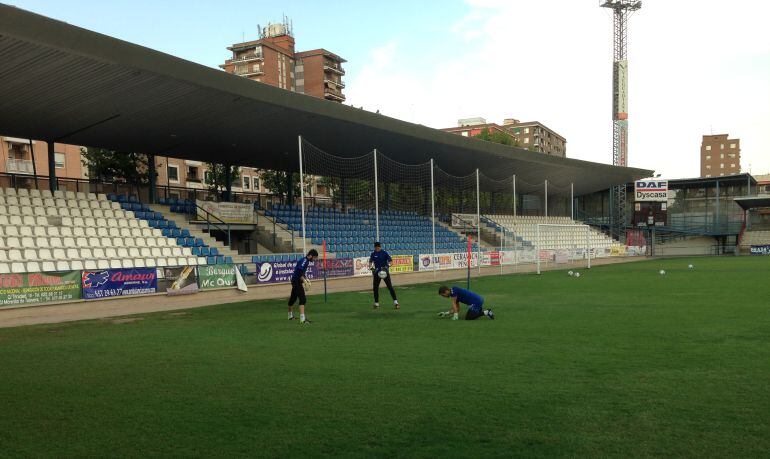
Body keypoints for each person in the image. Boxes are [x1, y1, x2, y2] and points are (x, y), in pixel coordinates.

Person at [288, 249, 318, 324]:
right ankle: (302, 319)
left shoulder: (306, 261)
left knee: (293, 298)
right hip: (296, 281)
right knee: (303, 299)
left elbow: (302, 272)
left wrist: (306, 279)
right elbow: (299, 271)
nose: (314, 259)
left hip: (296, 281)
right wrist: (304, 281)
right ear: (310, 255)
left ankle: (290, 316)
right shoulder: (305, 261)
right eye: (314, 258)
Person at [369, 242, 399, 310]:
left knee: (390, 287)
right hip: (377, 273)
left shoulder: (384, 253)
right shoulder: (373, 254)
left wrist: (387, 266)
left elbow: (391, 261)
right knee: (375, 288)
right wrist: (372, 269)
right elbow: (370, 262)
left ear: (380, 247)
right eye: (376, 247)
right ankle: (376, 303)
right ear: (375, 247)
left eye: (378, 247)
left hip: (385, 272)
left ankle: (396, 302)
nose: (377, 248)